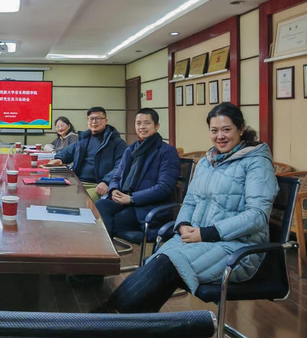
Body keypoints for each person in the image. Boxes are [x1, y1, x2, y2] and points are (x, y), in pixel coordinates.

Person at [99, 102, 279, 313]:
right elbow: (191, 201)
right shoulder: (207, 161)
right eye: (214, 130)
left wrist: (207, 233)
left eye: (226, 130)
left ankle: (108, 318)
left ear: (240, 129)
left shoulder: (256, 162)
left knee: (167, 263)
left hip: (237, 249)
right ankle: (125, 321)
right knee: (156, 260)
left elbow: (257, 215)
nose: (220, 136)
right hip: (198, 239)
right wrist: (183, 224)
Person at [96, 108, 179, 238]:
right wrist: (113, 190)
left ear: (157, 126)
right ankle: (104, 245)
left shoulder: (167, 152)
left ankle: (106, 246)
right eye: (138, 123)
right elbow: (117, 176)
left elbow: (164, 187)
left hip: (146, 206)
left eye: (147, 123)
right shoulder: (131, 149)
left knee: (114, 220)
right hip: (125, 200)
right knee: (100, 205)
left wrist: (132, 199)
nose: (142, 127)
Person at [47, 107, 126, 201]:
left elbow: (121, 166)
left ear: (106, 121)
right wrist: (59, 159)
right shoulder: (84, 139)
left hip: (97, 185)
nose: (94, 122)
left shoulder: (117, 142)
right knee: (53, 194)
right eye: (91, 119)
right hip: (77, 181)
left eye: (98, 118)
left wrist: (106, 182)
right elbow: (67, 151)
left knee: (78, 201)